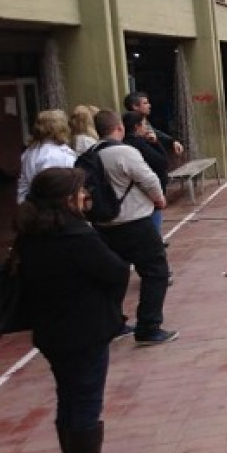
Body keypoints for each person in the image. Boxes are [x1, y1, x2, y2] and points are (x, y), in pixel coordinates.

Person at [16, 167, 130, 453]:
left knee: (69, 402)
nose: (85, 197)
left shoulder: (30, 234)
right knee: (85, 406)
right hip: (84, 332)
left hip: (52, 332)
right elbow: (115, 271)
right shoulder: (76, 236)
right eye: (80, 191)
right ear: (66, 198)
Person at [89, 110, 177, 345]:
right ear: (118, 127)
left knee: (113, 274)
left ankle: (113, 322)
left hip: (104, 225)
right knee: (155, 272)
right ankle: (149, 326)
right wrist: (159, 199)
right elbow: (148, 178)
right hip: (134, 222)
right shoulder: (124, 152)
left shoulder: (89, 155)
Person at [122, 111, 169, 233]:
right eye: (143, 124)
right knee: (153, 224)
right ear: (137, 127)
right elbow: (162, 162)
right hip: (146, 195)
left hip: (134, 198)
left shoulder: (125, 143)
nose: (146, 128)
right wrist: (156, 143)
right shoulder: (138, 144)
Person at [17, 109, 78, 202]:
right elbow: (53, 186)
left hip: (35, 204)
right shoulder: (53, 155)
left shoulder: (29, 152)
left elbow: (23, 186)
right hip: (54, 207)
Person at [121, 91, 184, 157]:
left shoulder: (144, 121)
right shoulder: (129, 124)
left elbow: (156, 133)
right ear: (135, 106)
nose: (149, 105)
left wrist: (172, 141)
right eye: (145, 103)